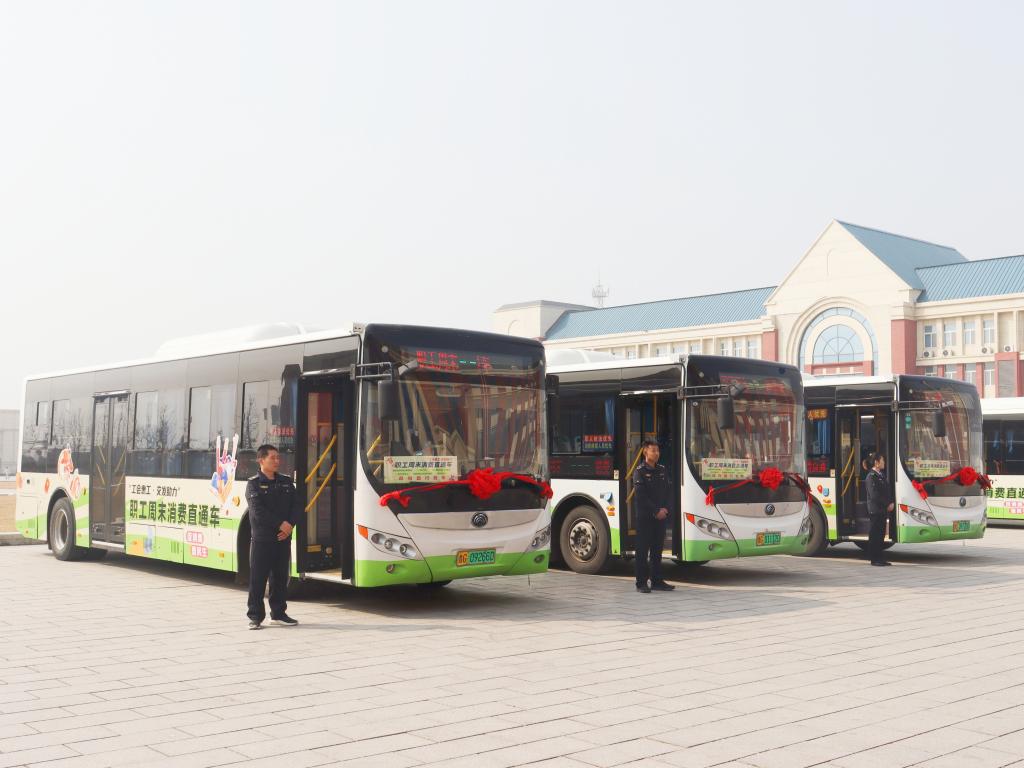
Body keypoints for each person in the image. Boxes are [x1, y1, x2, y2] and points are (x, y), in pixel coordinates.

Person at [246, 444, 300, 628]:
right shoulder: (253, 484)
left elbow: (296, 505)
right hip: (263, 539)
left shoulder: (286, 481)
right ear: (261, 460)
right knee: (258, 578)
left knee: (280, 578)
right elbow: (257, 512)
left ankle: (278, 613)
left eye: (278, 457)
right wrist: (280, 524)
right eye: (273, 458)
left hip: (283, 538)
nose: (277, 461)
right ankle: (255, 616)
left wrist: (289, 525)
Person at [632, 439, 676, 593]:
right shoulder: (639, 471)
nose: (656, 453)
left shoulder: (662, 470)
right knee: (642, 551)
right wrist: (656, 511)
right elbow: (641, 497)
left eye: (658, 450)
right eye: (653, 450)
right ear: (646, 452)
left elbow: (668, 492)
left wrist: (665, 509)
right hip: (645, 518)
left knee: (657, 551)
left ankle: (657, 581)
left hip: (660, 517)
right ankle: (641, 583)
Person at [864, 451, 893, 567]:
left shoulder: (881, 475)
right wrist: (887, 504)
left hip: (882, 510)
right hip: (875, 510)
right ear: (876, 463)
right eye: (882, 460)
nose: (884, 462)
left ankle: (880, 558)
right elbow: (874, 495)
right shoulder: (871, 477)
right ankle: (874, 559)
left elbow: (886, 491)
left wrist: (890, 502)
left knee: (881, 535)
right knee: (875, 535)